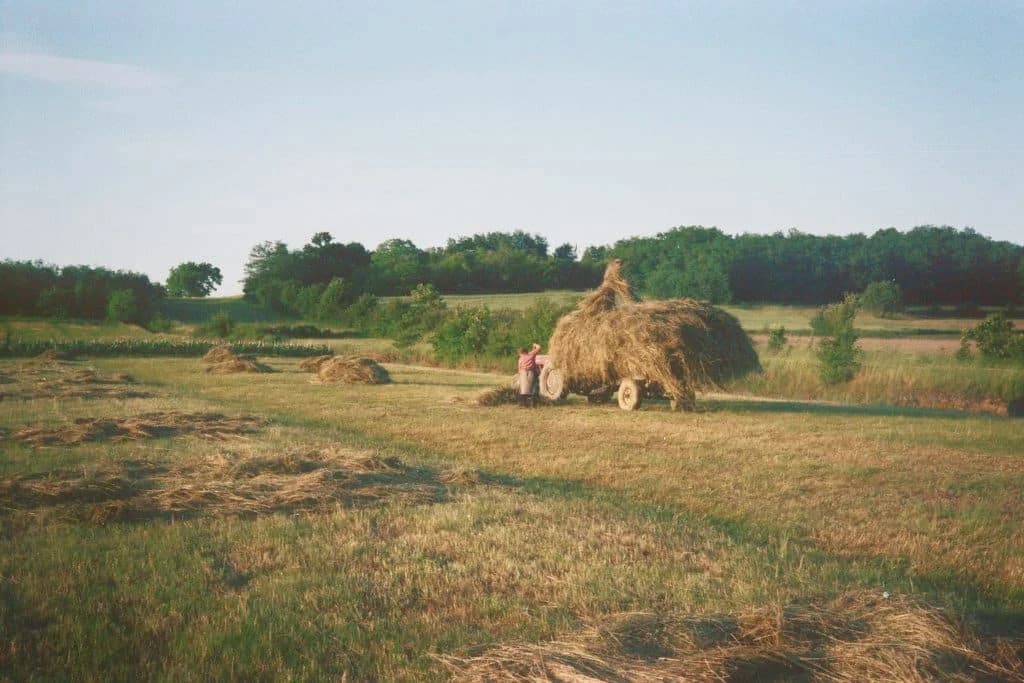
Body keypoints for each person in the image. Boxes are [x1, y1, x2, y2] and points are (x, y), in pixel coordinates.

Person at [517, 342, 541, 407]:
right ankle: (533, 402)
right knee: (534, 386)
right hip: (530, 372)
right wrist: (535, 344)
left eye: (520, 353)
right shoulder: (531, 355)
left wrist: (519, 375)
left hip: (523, 372)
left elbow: (519, 368)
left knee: (523, 389)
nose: (519, 354)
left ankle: (523, 403)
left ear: (522, 352)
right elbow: (539, 348)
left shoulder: (520, 359)